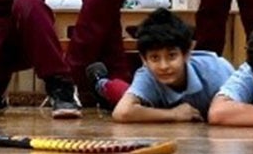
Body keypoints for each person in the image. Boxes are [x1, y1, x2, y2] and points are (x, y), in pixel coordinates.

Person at [87, 8, 233, 123]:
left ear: (187, 54)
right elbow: (122, 112)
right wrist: (174, 114)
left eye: (172, 56)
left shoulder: (217, 71)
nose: (164, 66)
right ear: (144, 59)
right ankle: (101, 83)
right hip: (151, 106)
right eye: (155, 58)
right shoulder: (146, 74)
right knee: (120, 94)